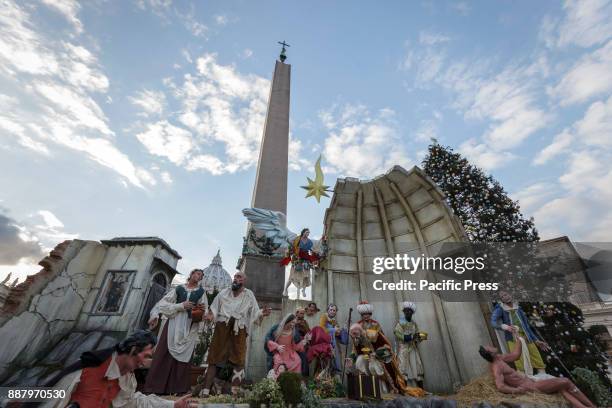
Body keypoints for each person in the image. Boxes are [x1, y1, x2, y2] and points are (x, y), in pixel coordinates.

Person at [42, 330, 195, 407]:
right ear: (133, 349)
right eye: (147, 356)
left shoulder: (127, 378)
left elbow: (134, 401)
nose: (147, 363)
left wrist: (172, 405)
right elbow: (50, 399)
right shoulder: (87, 369)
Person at [199, 271, 271, 397]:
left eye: (239, 277)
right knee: (214, 357)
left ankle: (234, 393)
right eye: (235, 277)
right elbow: (214, 308)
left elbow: (255, 311)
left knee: (239, 359)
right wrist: (210, 315)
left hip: (240, 328)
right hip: (222, 326)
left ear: (244, 281)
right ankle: (205, 390)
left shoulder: (249, 295)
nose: (235, 279)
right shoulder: (224, 292)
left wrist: (261, 313)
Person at [478, 336, 595, 408]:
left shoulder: (499, 358)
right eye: (489, 346)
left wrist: (518, 338)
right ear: (490, 353)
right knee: (566, 381)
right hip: (532, 387)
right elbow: (500, 386)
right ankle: (592, 406)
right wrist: (517, 390)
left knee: (560, 387)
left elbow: (515, 355)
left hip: (532, 380)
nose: (491, 345)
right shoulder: (496, 366)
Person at [144, 269, 208, 394]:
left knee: (183, 357)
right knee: (164, 352)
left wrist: (202, 312)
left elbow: (204, 309)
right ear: (191, 274)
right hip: (174, 323)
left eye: (200, 275)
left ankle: (177, 389)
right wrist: (180, 306)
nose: (198, 276)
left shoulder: (201, 292)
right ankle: (155, 387)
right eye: (196, 273)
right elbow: (162, 304)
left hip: (189, 325)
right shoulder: (179, 289)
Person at [356, 301, 424, 397]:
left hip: (376, 351)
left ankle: (389, 388)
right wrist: (357, 340)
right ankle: (367, 390)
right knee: (359, 362)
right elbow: (355, 344)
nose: (365, 316)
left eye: (367, 314)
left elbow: (382, 338)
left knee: (385, 363)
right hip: (364, 352)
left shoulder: (376, 324)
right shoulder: (358, 325)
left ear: (370, 314)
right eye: (363, 314)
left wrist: (379, 350)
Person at [491, 291, 548, 374]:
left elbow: (527, 326)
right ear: (501, 300)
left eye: (506, 294)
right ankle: (526, 384)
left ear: (510, 294)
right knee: (520, 363)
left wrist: (536, 340)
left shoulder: (518, 308)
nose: (505, 297)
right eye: (502, 297)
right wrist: (505, 327)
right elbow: (493, 322)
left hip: (526, 336)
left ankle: (544, 380)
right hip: (513, 338)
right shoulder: (500, 309)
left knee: (537, 359)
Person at [393, 302, 425, 388]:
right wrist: (411, 336)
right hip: (403, 349)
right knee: (403, 367)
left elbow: (417, 334)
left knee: (417, 366)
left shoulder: (414, 323)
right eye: (406, 311)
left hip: (413, 348)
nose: (408, 313)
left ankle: (420, 389)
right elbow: (398, 334)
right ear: (403, 312)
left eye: (410, 311)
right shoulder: (400, 323)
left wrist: (419, 338)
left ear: (412, 313)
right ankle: (403, 389)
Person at [319, 303, 343, 372]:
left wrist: (338, 331)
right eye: (331, 310)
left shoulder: (334, 320)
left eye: (334, 310)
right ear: (328, 310)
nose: (332, 311)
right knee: (326, 363)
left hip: (333, 343)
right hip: (325, 343)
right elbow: (321, 329)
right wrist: (333, 330)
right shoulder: (324, 317)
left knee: (334, 359)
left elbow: (337, 330)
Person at [294, 307, 311, 376]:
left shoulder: (305, 322)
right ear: (297, 313)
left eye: (303, 313)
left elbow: (309, 332)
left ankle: (304, 377)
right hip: (294, 344)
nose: (303, 315)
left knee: (304, 360)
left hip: (303, 344)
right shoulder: (293, 321)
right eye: (301, 313)